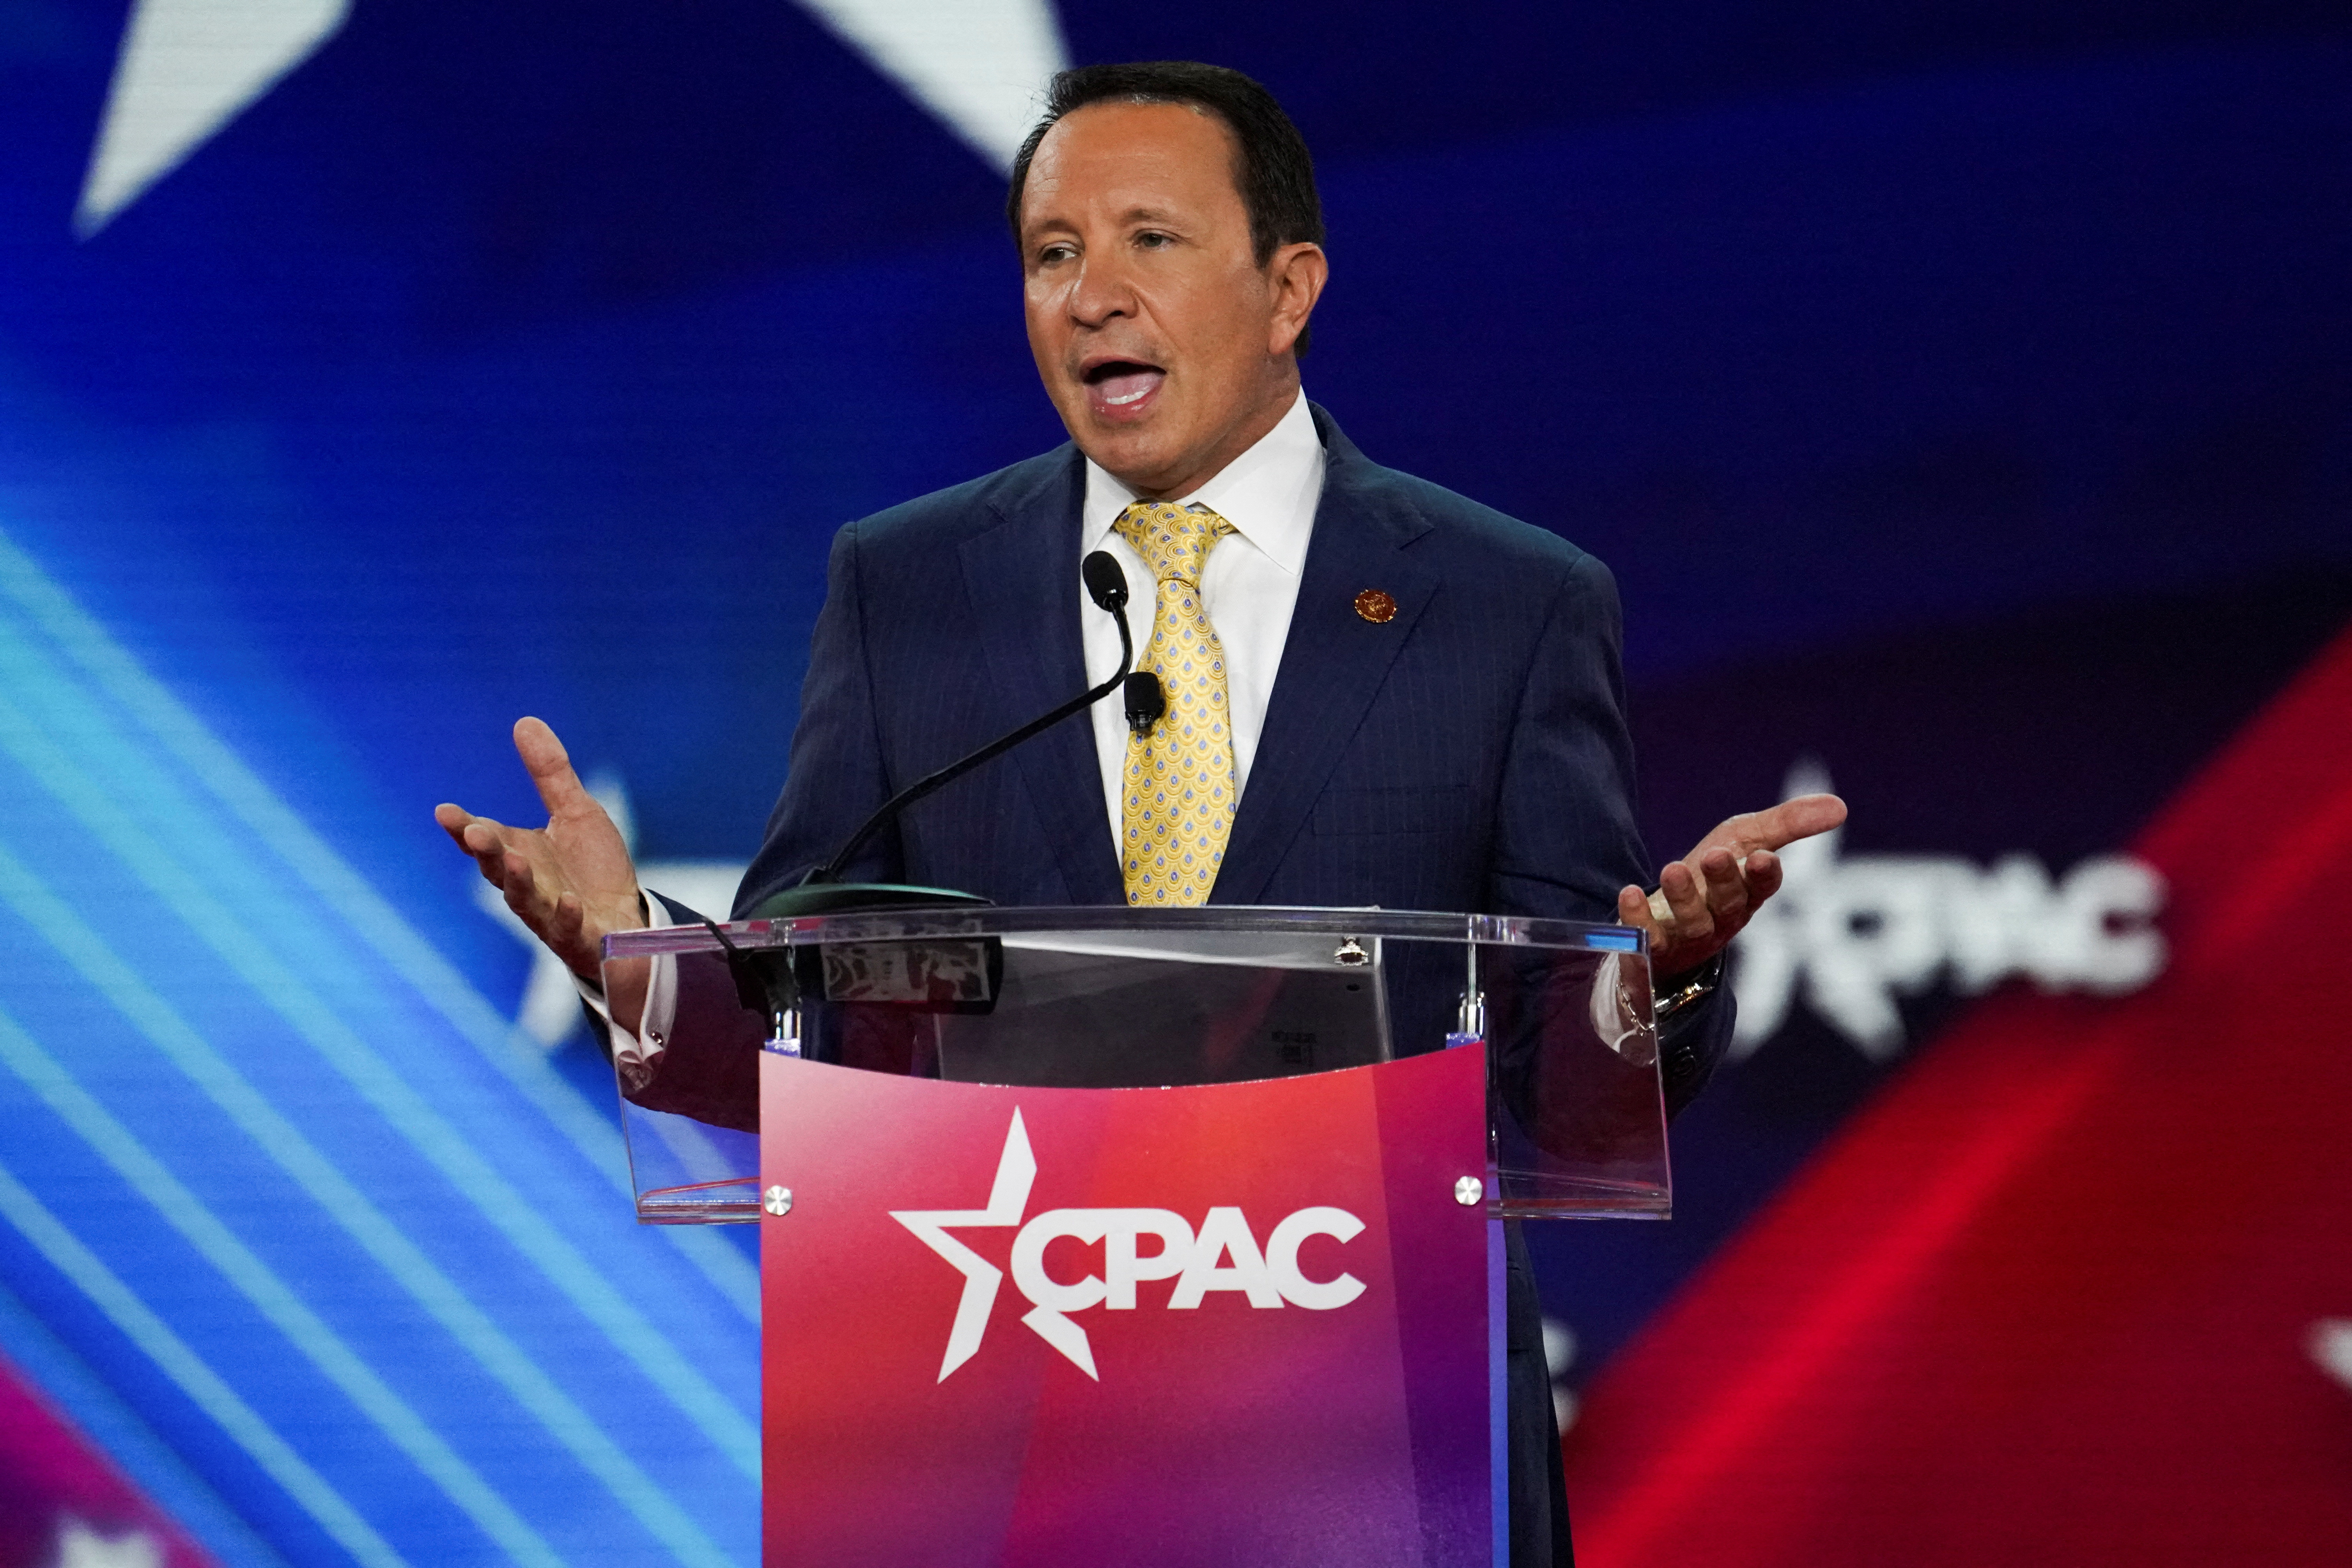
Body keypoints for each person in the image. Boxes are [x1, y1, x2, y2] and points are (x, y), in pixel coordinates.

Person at [436, 61, 1844, 1566]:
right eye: (1053, 254)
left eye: (1148, 242)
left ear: (1288, 287)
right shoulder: (913, 588)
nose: (1090, 295)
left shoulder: (1505, 604)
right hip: (989, 1454)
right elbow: (809, 1029)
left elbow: (1561, 1097)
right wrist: (636, 952)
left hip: (1380, 1456)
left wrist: (1664, 972)